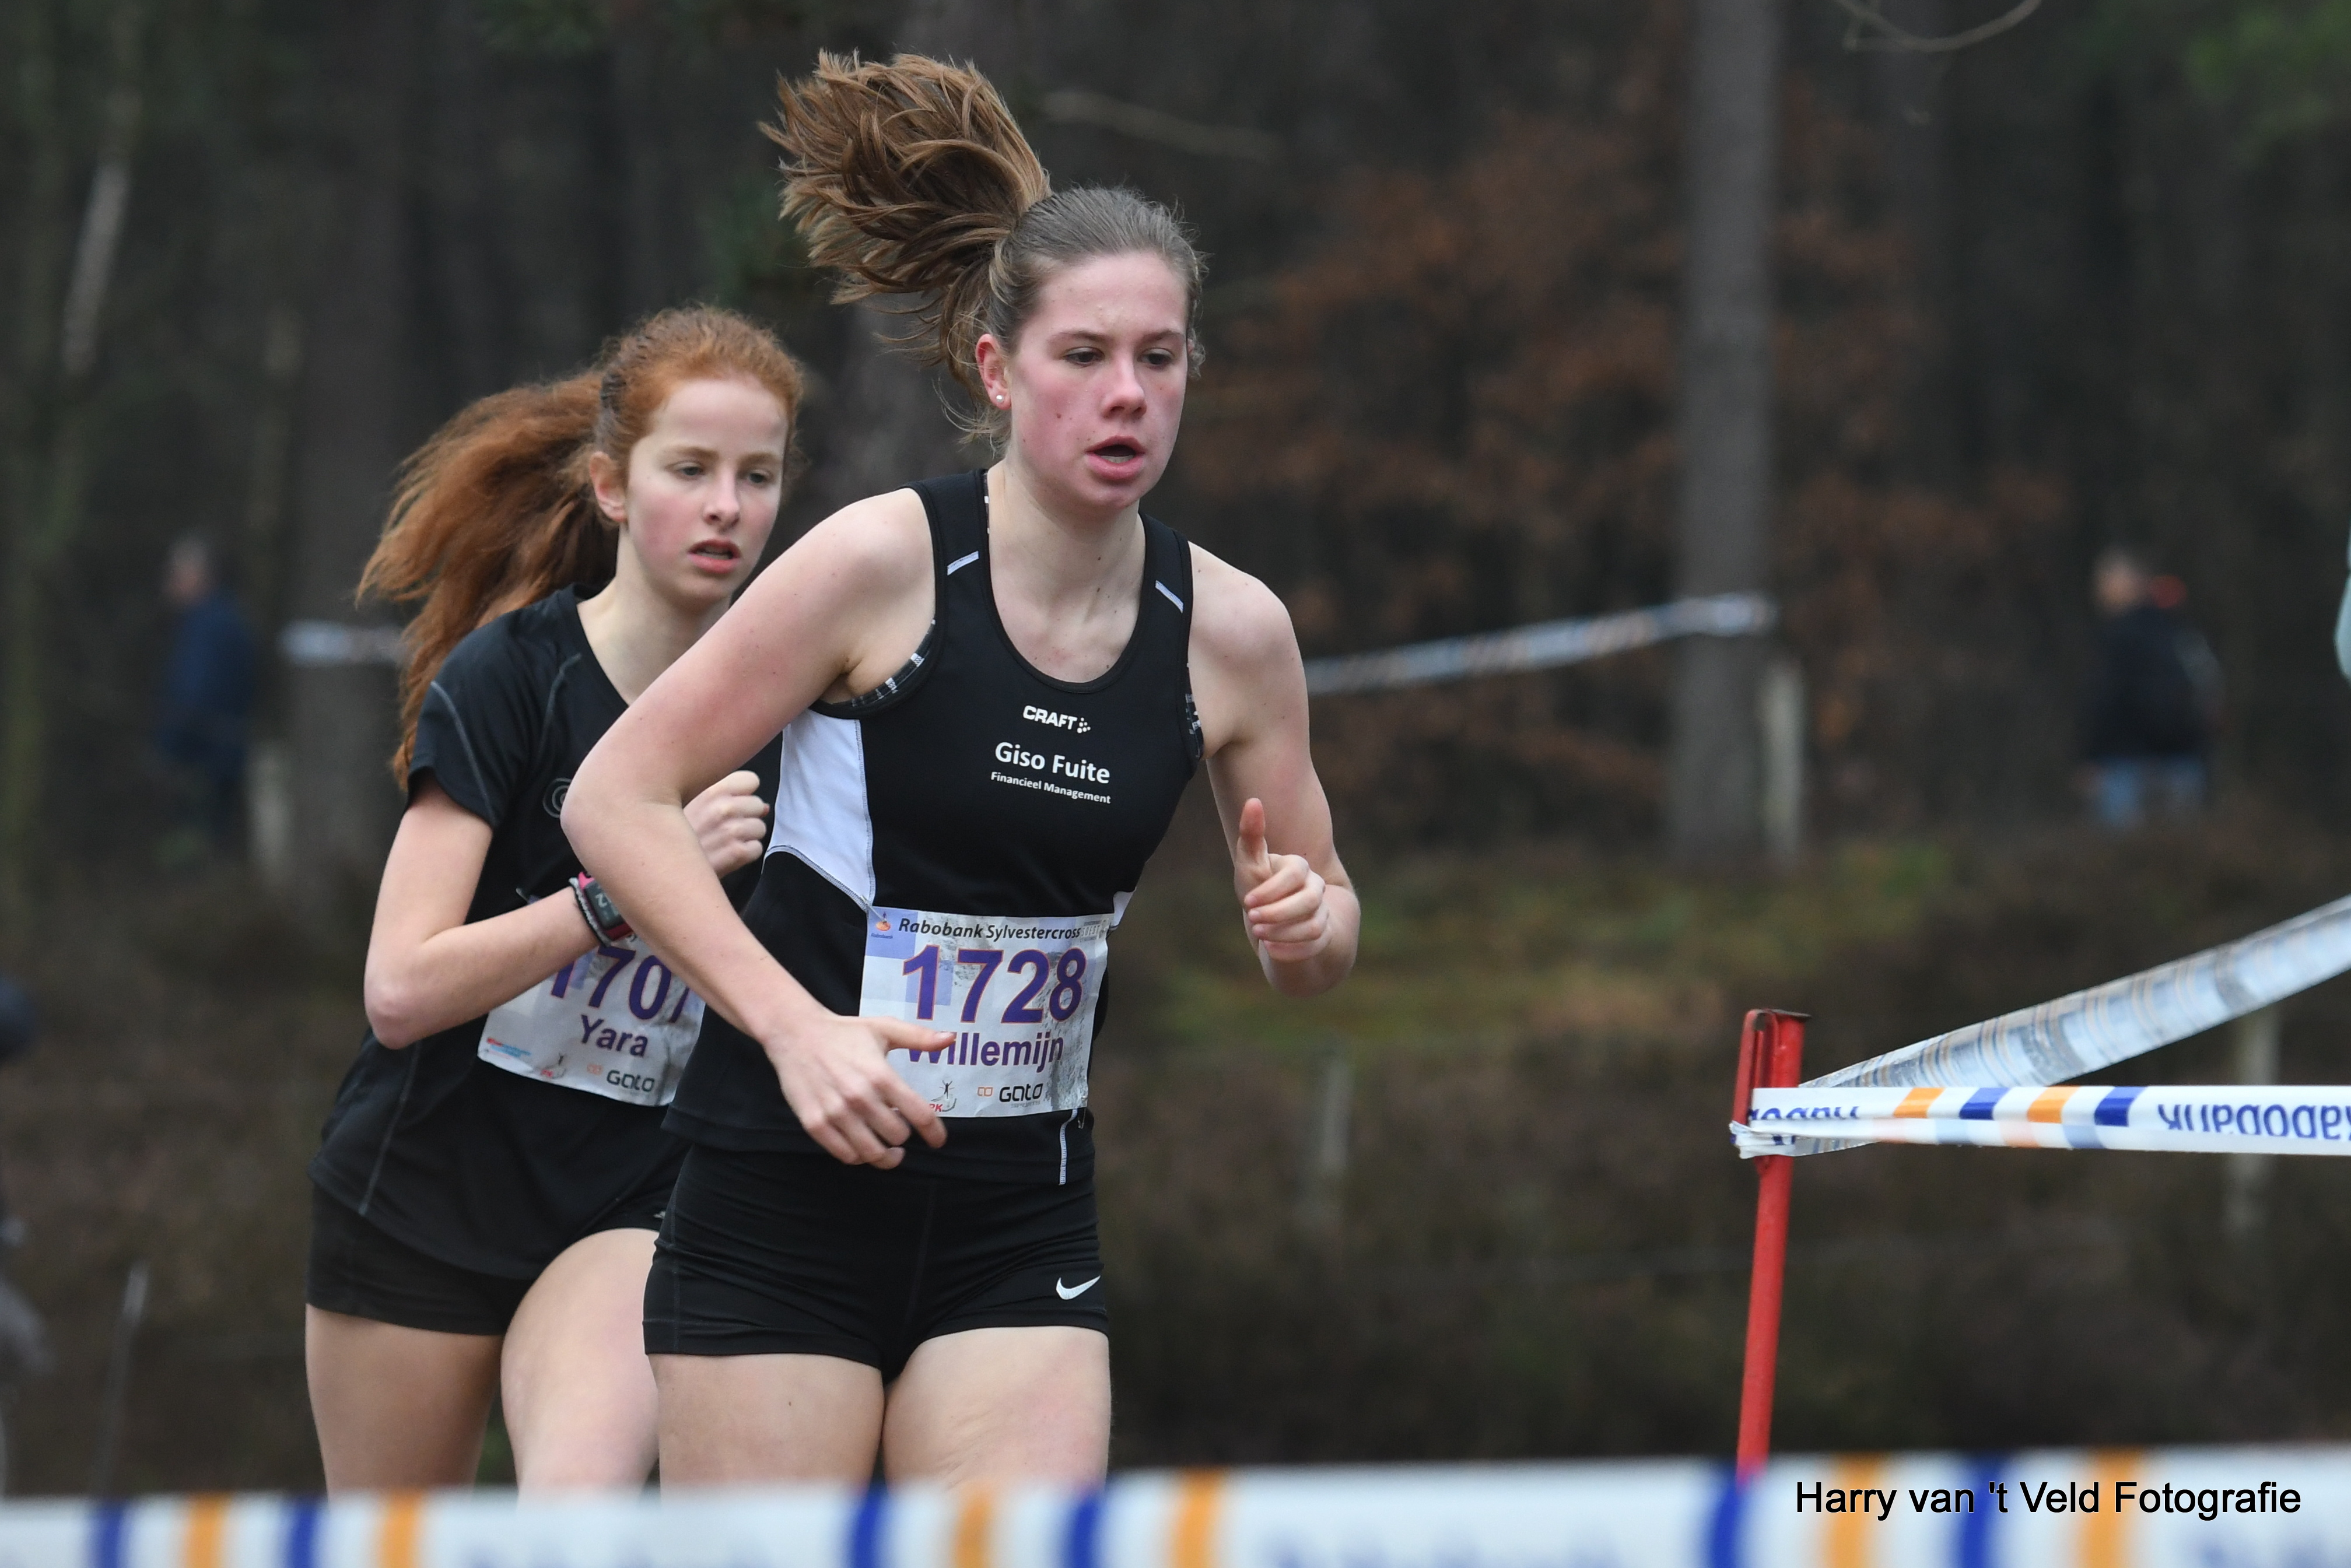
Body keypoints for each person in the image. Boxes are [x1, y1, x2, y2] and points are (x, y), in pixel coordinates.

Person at [561, 53, 1360, 1489]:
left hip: (1016, 1219)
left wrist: (1309, 928)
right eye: (1083, 356)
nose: (1126, 395)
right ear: (997, 371)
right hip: (782, 1200)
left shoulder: (1232, 633)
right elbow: (612, 800)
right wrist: (794, 1030)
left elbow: (1319, 937)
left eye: (1159, 358)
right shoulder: (879, 563)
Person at [303, 307, 803, 1492]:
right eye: (690, 470)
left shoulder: (799, 712)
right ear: (612, 487)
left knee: (577, 1516)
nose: (727, 507)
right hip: (426, 1192)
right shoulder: (512, 677)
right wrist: (625, 886)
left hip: (627, 1201)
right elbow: (399, 988)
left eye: (757, 475)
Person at [2081, 545, 2219, 830]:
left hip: (2123, 764)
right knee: (2182, 850)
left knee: (2122, 852)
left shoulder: (2117, 636)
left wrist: (2092, 757)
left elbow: (2105, 700)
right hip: (2183, 759)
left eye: (2105, 581)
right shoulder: (2178, 629)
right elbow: (2208, 688)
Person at [152, 534, 255, 861]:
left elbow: (196, 695)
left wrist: (171, 746)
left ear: (200, 576)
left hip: (207, 754)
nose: (171, 583)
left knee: (200, 844)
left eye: (178, 574)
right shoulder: (216, 620)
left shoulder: (210, 626)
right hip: (218, 751)